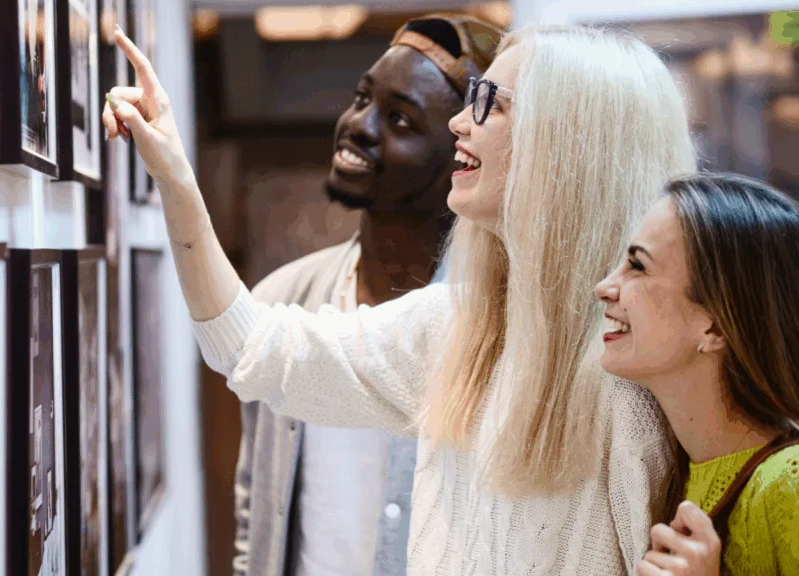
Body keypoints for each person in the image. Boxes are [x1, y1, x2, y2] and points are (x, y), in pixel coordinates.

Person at [103, 22, 696, 573]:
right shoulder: (458, 327)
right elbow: (251, 349)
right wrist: (175, 175)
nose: (463, 123)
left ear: (568, 145)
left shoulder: (642, 379)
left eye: (491, 105)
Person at [229, 15, 502, 576]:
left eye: (399, 118)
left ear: (462, 156)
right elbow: (256, 503)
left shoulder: (496, 324)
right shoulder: (284, 301)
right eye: (360, 98)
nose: (357, 124)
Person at [594, 173, 799, 576]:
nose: (605, 286)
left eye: (637, 265)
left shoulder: (789, 485)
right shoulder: (673, 471)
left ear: (716, 328)